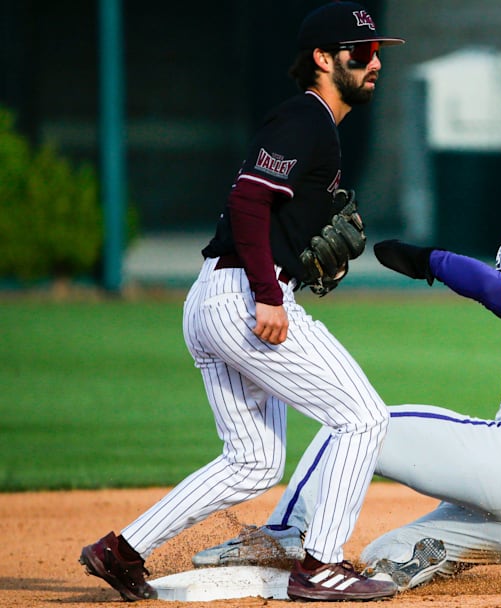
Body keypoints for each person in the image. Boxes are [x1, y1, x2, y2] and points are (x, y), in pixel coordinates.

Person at [78, 2, 407, 602]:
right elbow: (249, 202)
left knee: (254, 461)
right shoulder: (304, 119)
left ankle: (120, 551)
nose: (374, 61)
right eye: (360, 52)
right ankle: (320, 566)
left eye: (377, 51)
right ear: (322, 58)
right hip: (243, 297)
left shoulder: (315, 126)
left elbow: (265, 209)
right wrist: (267, 294)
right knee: (364, 417)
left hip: (215, 295)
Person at [192, 228, 501, 590]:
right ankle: (408, 563)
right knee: (381, 558)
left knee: (356, 423)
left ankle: (286, 535)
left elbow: (493, 290)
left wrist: (431, 260)